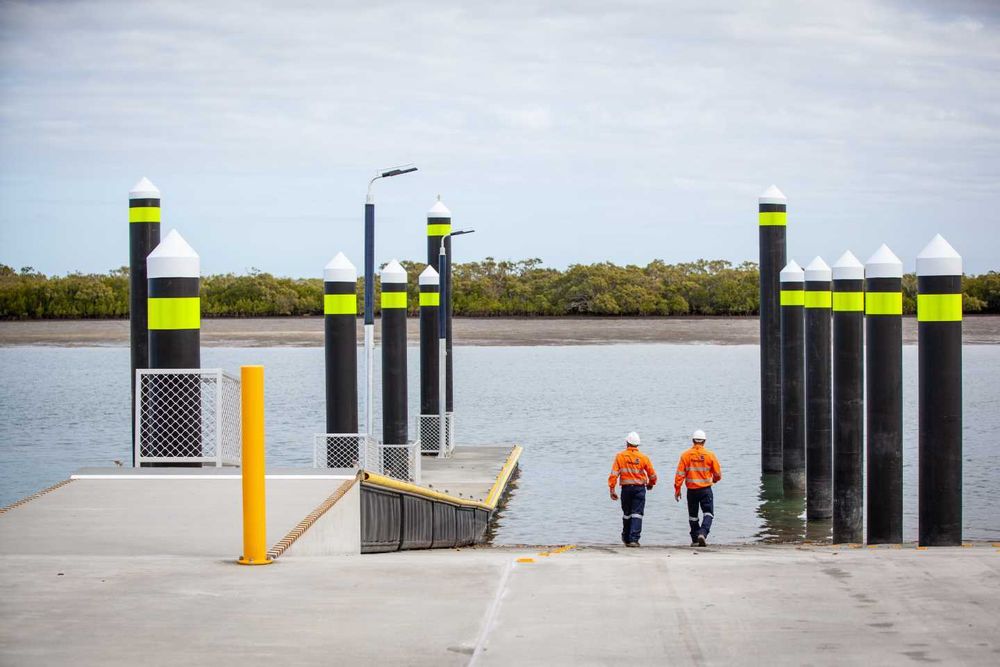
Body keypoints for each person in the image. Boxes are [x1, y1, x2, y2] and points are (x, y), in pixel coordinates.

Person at [674, 429, 722, 547]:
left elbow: (680, 474)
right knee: (708, 513)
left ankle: (695, 539)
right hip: (705, 489)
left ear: (693, 441)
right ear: (704, 441)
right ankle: (703, 533)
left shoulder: (685, 455)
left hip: (691, 491)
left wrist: (677, 489)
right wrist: (714, 480)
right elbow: (717, 474)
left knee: (693, 516)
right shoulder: (710, 455)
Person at [608, 431, 657, 547]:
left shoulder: (620, 456)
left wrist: (612, 489)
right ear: (637, 445)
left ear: (627, 443)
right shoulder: (643, 457)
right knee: (637, 514)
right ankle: (634, 539)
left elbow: (614, 474)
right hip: (639, 489)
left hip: (626, 489)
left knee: (627, 514)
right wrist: (651, 484)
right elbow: (652, 475)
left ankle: (626, 537)